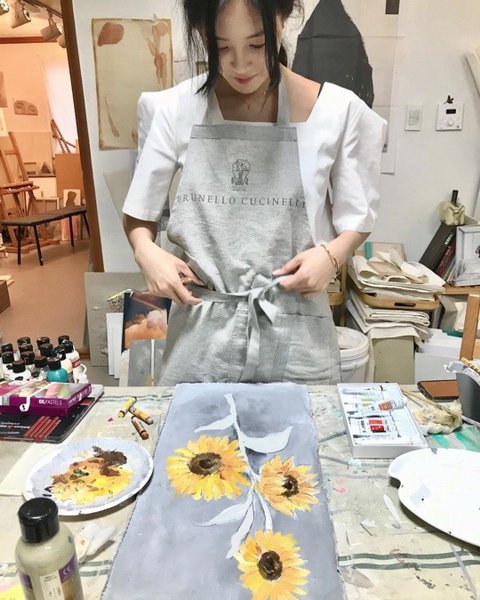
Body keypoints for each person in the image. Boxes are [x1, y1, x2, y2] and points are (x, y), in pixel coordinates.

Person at [123, 0, 387, 385]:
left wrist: (332, 256)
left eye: (257, 44)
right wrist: (146, 252)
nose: (241, 64)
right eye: (222, 47)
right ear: (200, 34)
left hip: (296, 332)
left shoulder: (335, 112)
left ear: (283, 18)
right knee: (194, 426)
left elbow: (357, 218)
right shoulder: (174, 109)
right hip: (200, 335)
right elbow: (139, 215)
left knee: (302, 424)